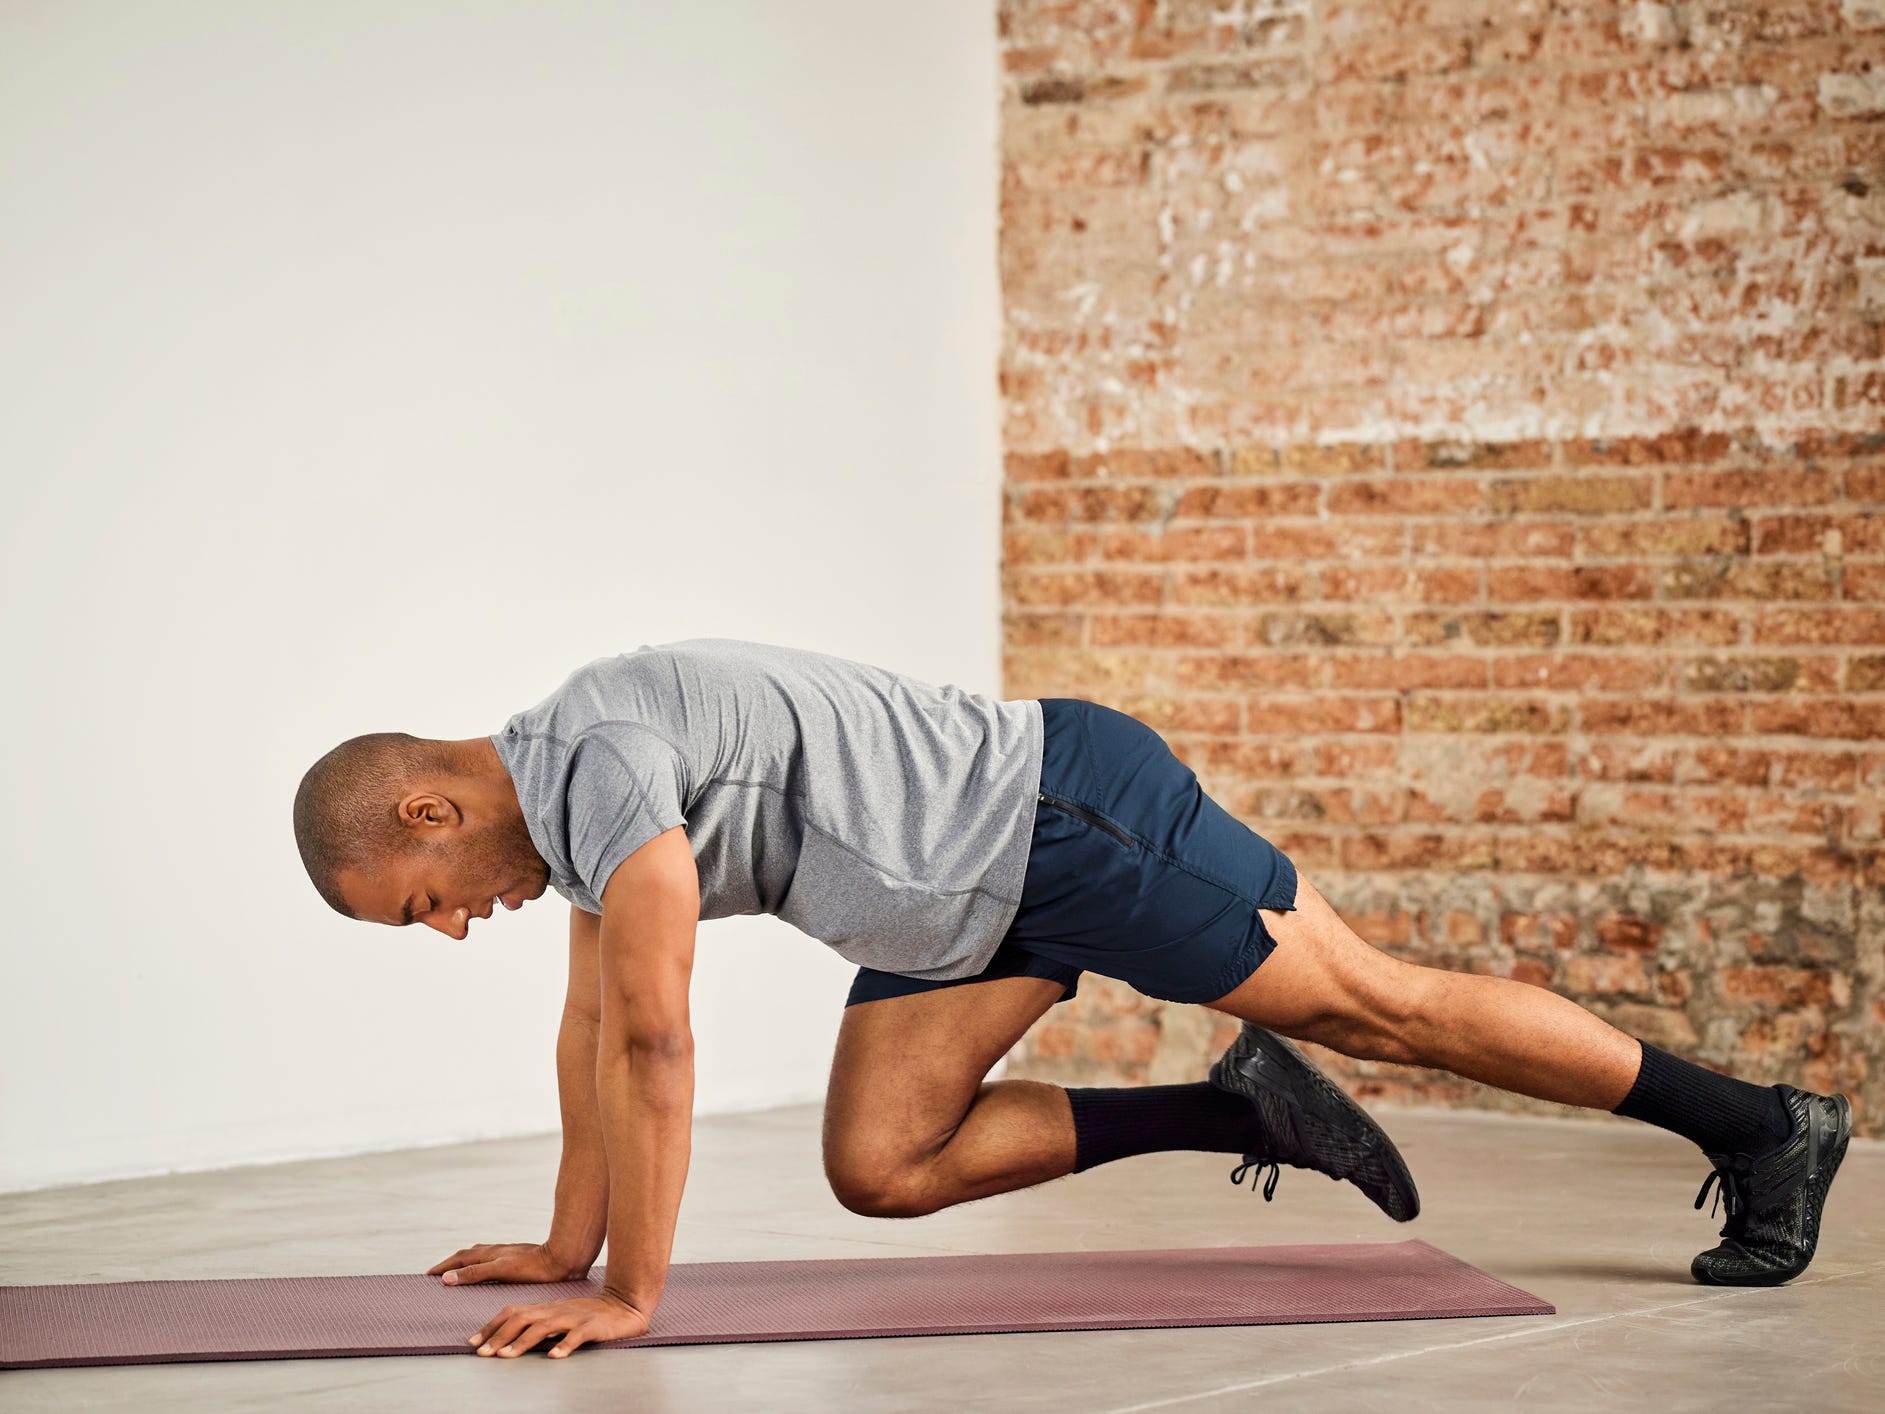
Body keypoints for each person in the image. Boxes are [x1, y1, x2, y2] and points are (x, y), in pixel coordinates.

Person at [292, 637, 1853, 1359]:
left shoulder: (602, 758)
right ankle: (1228, 1103)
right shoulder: (570, 804)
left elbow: (655, 1036)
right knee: (881, 1164)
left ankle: (1762, 1124)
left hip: (1059, 814)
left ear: (427, 815)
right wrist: (569, 1244)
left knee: (1380, 1004)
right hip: (952, 894)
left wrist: (634, 1288)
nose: (448, 929)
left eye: (420, 906)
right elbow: (590, 1032)